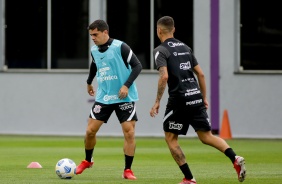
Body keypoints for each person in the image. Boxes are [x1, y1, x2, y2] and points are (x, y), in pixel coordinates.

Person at [150, 16, 246, 184]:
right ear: (174, 29)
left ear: (158, 31)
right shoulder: (186, 48)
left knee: (171, 138)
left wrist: (157, 101)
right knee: (206, 136)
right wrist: (204, 97)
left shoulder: (160, 50)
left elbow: (164, 76)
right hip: (195, 96)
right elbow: (200, 74)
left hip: (179, 99)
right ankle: (234, 158)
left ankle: (189, 178)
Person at [76, 19, 142, 180]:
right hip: (104, 97)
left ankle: (127, 170)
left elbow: (137, 66)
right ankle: (88, 160)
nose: (93, 38)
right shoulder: (94, 50)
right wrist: (89, 82)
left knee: (129, 133)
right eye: (91, 35)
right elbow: (94, 64)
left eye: (95, 34)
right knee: (90, 131)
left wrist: (126, 85)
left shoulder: (121, 47)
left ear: (105, 32)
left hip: (123, 97)